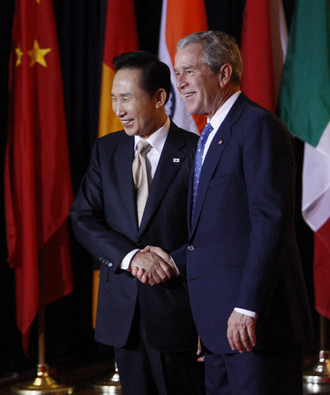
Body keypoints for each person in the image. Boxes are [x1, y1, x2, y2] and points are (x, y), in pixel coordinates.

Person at [141, 31, 314, 394]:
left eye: (189, 71)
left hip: (255, 328)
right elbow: (218, 235)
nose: (180, 82)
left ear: (223, 74)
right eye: (177, 72)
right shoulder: (211, 135)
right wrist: (173, 263)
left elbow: (270, 224)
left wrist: (247, 308)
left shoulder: (256, 127)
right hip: (221, 328)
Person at [70, 51, 204, 395]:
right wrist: (131, 257)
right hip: (123, 318)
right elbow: (84, 217)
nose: (118, 109)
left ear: (159, 97)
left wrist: (171, 262)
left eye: (127, 97)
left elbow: (213, 231)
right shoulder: (106, 150)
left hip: (180, 313)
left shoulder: (197, 151)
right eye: (114, 98)